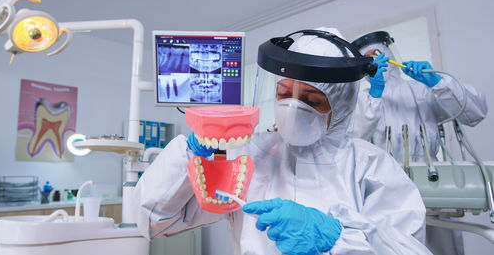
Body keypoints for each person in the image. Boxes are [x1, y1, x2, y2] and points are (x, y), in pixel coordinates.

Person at [134, 28, 432, 255]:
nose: (291, 106)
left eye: (310, 99)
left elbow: (408, 249)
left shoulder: (372, 167)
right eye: (283, 93)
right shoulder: (249, 156)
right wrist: (190, 154)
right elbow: (157, 223)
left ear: (339, 108)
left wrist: (338, 239)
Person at [350, 31, 488, 255]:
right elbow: (353, 143)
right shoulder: (362, 101)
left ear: (388, 53)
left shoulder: (421, 90)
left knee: (443, 248)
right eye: (368, 60)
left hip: (433, 184)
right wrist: (374, 97)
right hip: (385, 189)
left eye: (377, 54)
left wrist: (439, 82)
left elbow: (475, 112)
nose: (375, 61)